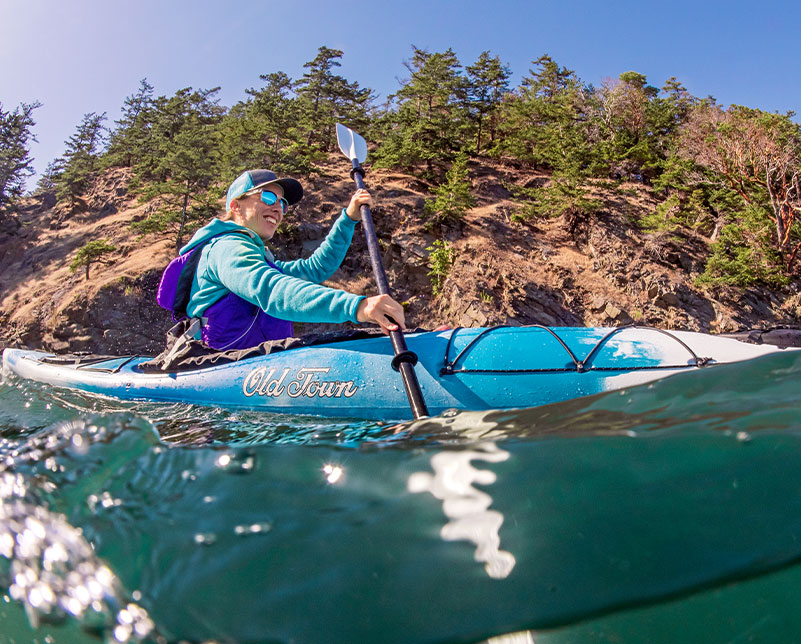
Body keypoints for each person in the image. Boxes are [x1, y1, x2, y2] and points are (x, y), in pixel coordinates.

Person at [168, 169, 405, 352]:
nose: (278, 208)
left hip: (261, 364)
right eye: (268, 197)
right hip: (224, 368)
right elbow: (270, 290)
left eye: (282, 203)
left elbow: (315, 269)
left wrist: (348, 218)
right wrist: (358, 307)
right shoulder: (225, 248)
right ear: (235, 206)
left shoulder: (257, 256)